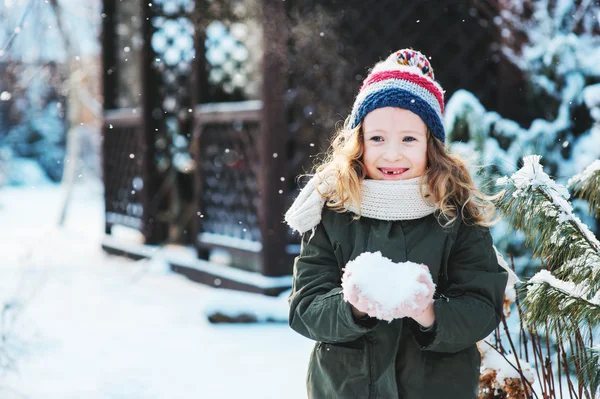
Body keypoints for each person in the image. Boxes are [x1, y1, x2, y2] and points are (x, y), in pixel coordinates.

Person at [284, 49, 511, 399]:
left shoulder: (456, 216)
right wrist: (351, 308)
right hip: (345, 388)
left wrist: (430, 312)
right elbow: (305, 307)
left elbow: (482, 306)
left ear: (431, 146)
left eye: (408, 139)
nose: (392, 153)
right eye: (377, 139)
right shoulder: (334, 212)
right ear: (359, 142)